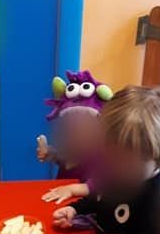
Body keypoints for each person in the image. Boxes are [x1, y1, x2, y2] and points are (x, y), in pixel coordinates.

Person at [54, 86, 160, 234]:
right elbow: (100, 197)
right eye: (112, 158)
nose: (118, 169)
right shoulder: (115, 172)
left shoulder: (159, 201)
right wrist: (75, 210)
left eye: (130, 164)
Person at [38, 69, 112, 206]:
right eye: (70, 128)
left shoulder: (102, 155)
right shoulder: (72, 147)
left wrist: (71, 189)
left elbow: (98, 184)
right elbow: (66, 162)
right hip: (61, 200)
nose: (74, 134)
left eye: (84, 128)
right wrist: (52, 154)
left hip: (84, 207)